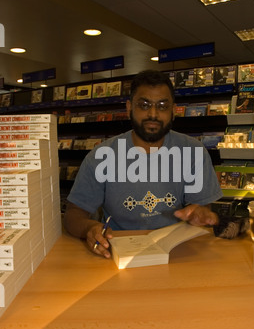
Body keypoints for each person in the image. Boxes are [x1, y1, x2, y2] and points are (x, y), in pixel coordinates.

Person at [64, 70, 222, 258]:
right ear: (129, 107)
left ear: (173, 111)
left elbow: (202, 210)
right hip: (115, 253)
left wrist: (200, 214)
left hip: (177, 253)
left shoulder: (193, 152)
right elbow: (73, 214)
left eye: (162, 106)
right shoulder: (101, 156)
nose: (153, 114)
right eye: (144, 105)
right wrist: (90, 227)